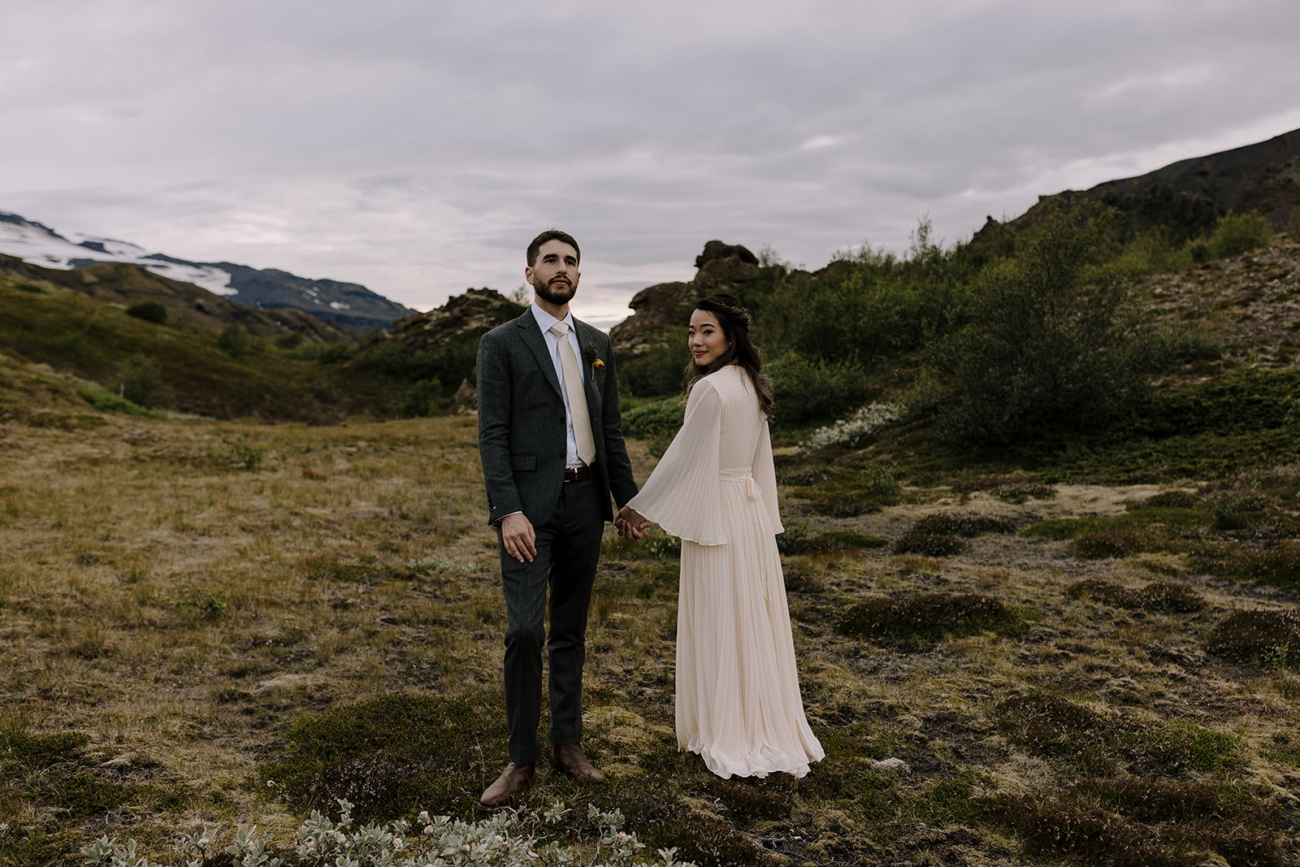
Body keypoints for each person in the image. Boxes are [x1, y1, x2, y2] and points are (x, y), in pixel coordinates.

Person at [616, 294, 824, 779]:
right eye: (691, 332)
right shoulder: (751, 384)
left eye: (707, 331)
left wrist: (635, 509)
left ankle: (728, 728)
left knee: (722, 616)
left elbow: (683, 462)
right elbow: (757, 464)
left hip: (721, 515)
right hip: (748, 515)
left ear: (731, 337)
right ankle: (757, 721)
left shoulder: (710, 391)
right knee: (749, 617)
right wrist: (763, 516)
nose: (696, 341)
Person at [476, 229, 642, 808]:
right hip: (528, 512)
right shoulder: (502, 343)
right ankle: (520, 758)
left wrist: (628, 499)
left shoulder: (597, 342)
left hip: (584, 504)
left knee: (571, 629)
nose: (562, 268)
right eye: (550, 260)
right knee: (525, 630)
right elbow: (492, 435)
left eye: (571, 261)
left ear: (579, 273)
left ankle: (566, 745)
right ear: (530, 274)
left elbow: (610, 430)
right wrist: (508, 510)